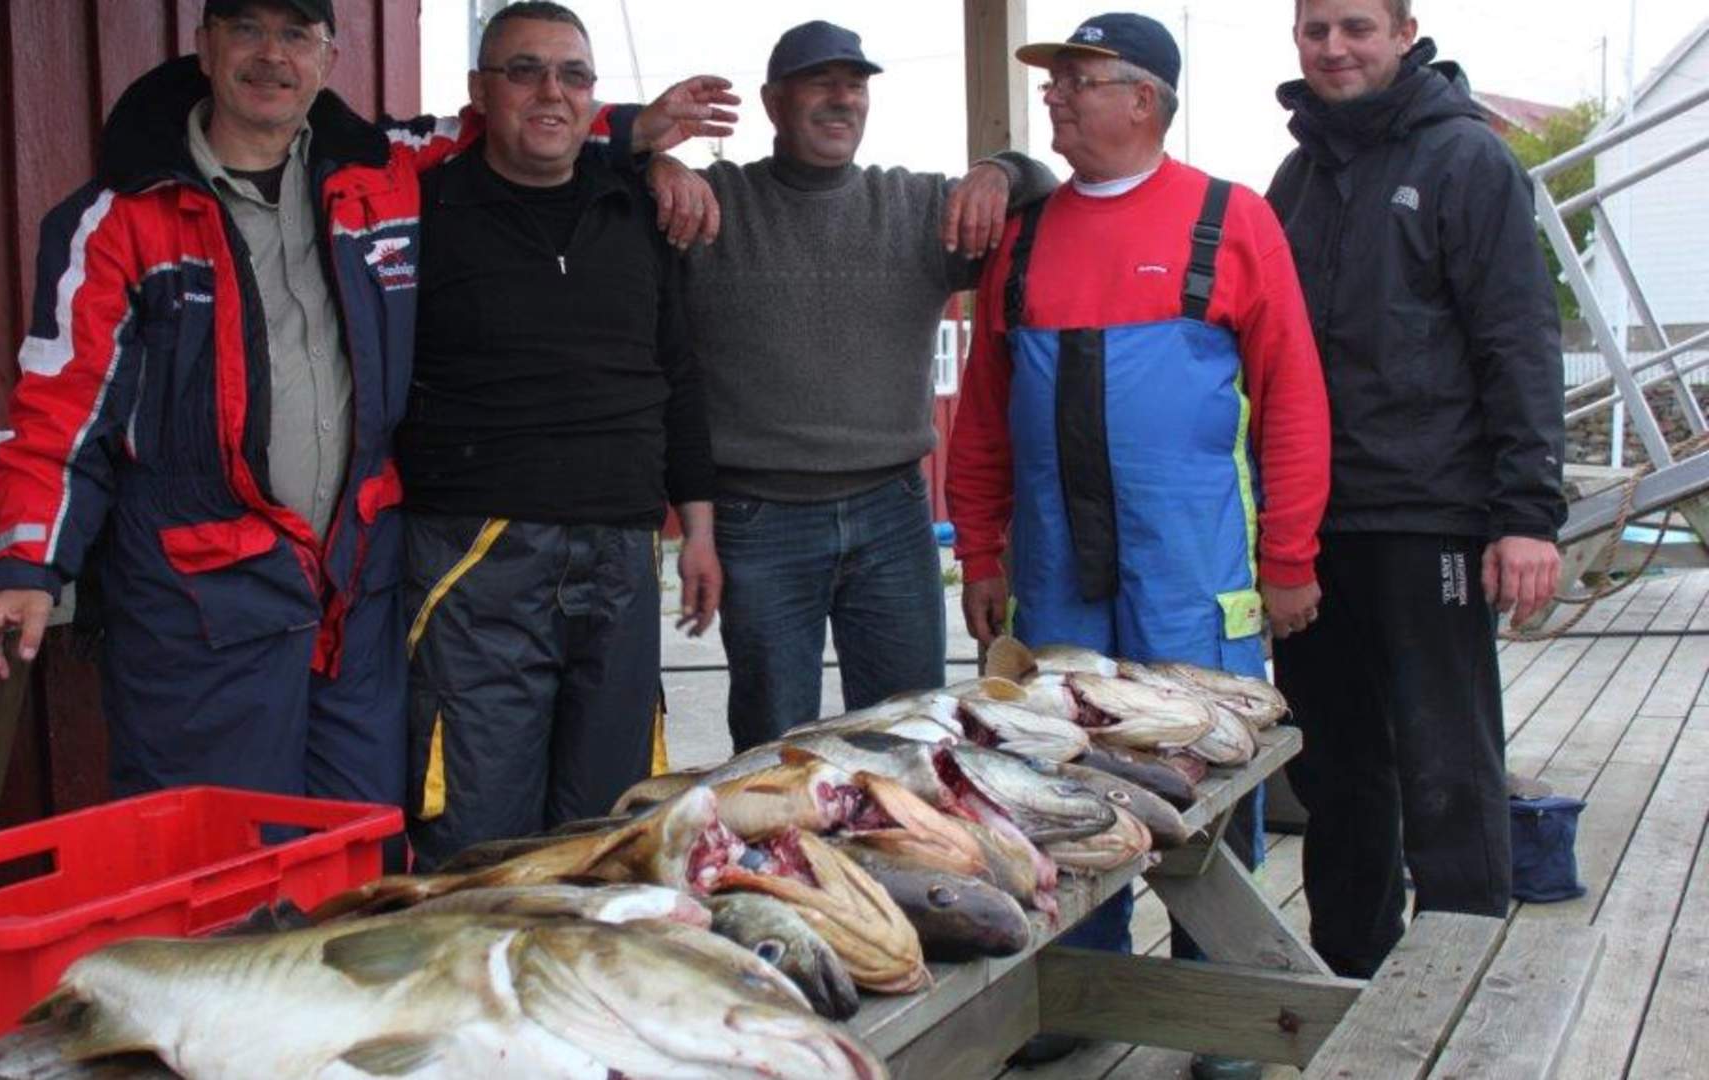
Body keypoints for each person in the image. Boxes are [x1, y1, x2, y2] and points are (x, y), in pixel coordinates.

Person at [0, 0, 731, 863]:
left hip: (352, 577)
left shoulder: (376, 173)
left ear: (328, 56)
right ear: (205, 47)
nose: (272, 56)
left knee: (361, 845)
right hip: (203, 581)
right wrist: (30, 562)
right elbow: (61, 406)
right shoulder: (117, 218)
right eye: (248, 31)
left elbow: (518, 128)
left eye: (296, 35)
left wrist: (643, 146)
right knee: (217, 853)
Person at [947, 14, 1329, 1074]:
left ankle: (1227, 999)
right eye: (1055, 80)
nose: (1058, 96)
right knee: (1062, 770)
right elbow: (983, 413)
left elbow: (1294, 397)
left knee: (1208, 771)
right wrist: (980, 549)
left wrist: (1290, 558)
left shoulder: (1231, 219)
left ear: (1145, 99)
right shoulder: (1022, 237)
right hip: (1059, 576)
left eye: (1080, 79)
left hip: (1190, 573)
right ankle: (1087, 981)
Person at [654, 20, 1056, 754]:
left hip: (894, 518)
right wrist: (652, 166)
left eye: (856, 84)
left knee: (912, 739)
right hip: (758, 520)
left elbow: (1047, 190)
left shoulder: (917, 208)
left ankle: (898, 870)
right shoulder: (711, 206)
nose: (842, 99)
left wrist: (998, 169)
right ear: (775, 102)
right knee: (776, 752)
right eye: (820, 82)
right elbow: (593, 189)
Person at [1267, 0, 1566, 980]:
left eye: (1356, 27)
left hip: (1433, 518)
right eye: (1317, 31)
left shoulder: (1469, 161)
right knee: (1335, 770)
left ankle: (1456, 987)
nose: (1334, 48)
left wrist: (1526, 515)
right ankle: (1351, 975)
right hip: (1317, 527)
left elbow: (1520, 343)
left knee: (1447, 769)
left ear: (1404, 34)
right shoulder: (1296, 176)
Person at [399, 1, 720, 865]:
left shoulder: (639, 209)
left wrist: (698, 530)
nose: (551, 92)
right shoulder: (422, 207)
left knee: (607, 828)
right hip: (479, 552)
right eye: (524, 70)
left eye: (573, 75)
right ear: (479, 91)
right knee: (478, 829)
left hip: (619, 549)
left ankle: (584, 991)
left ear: (595, 98)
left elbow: (679, 376)